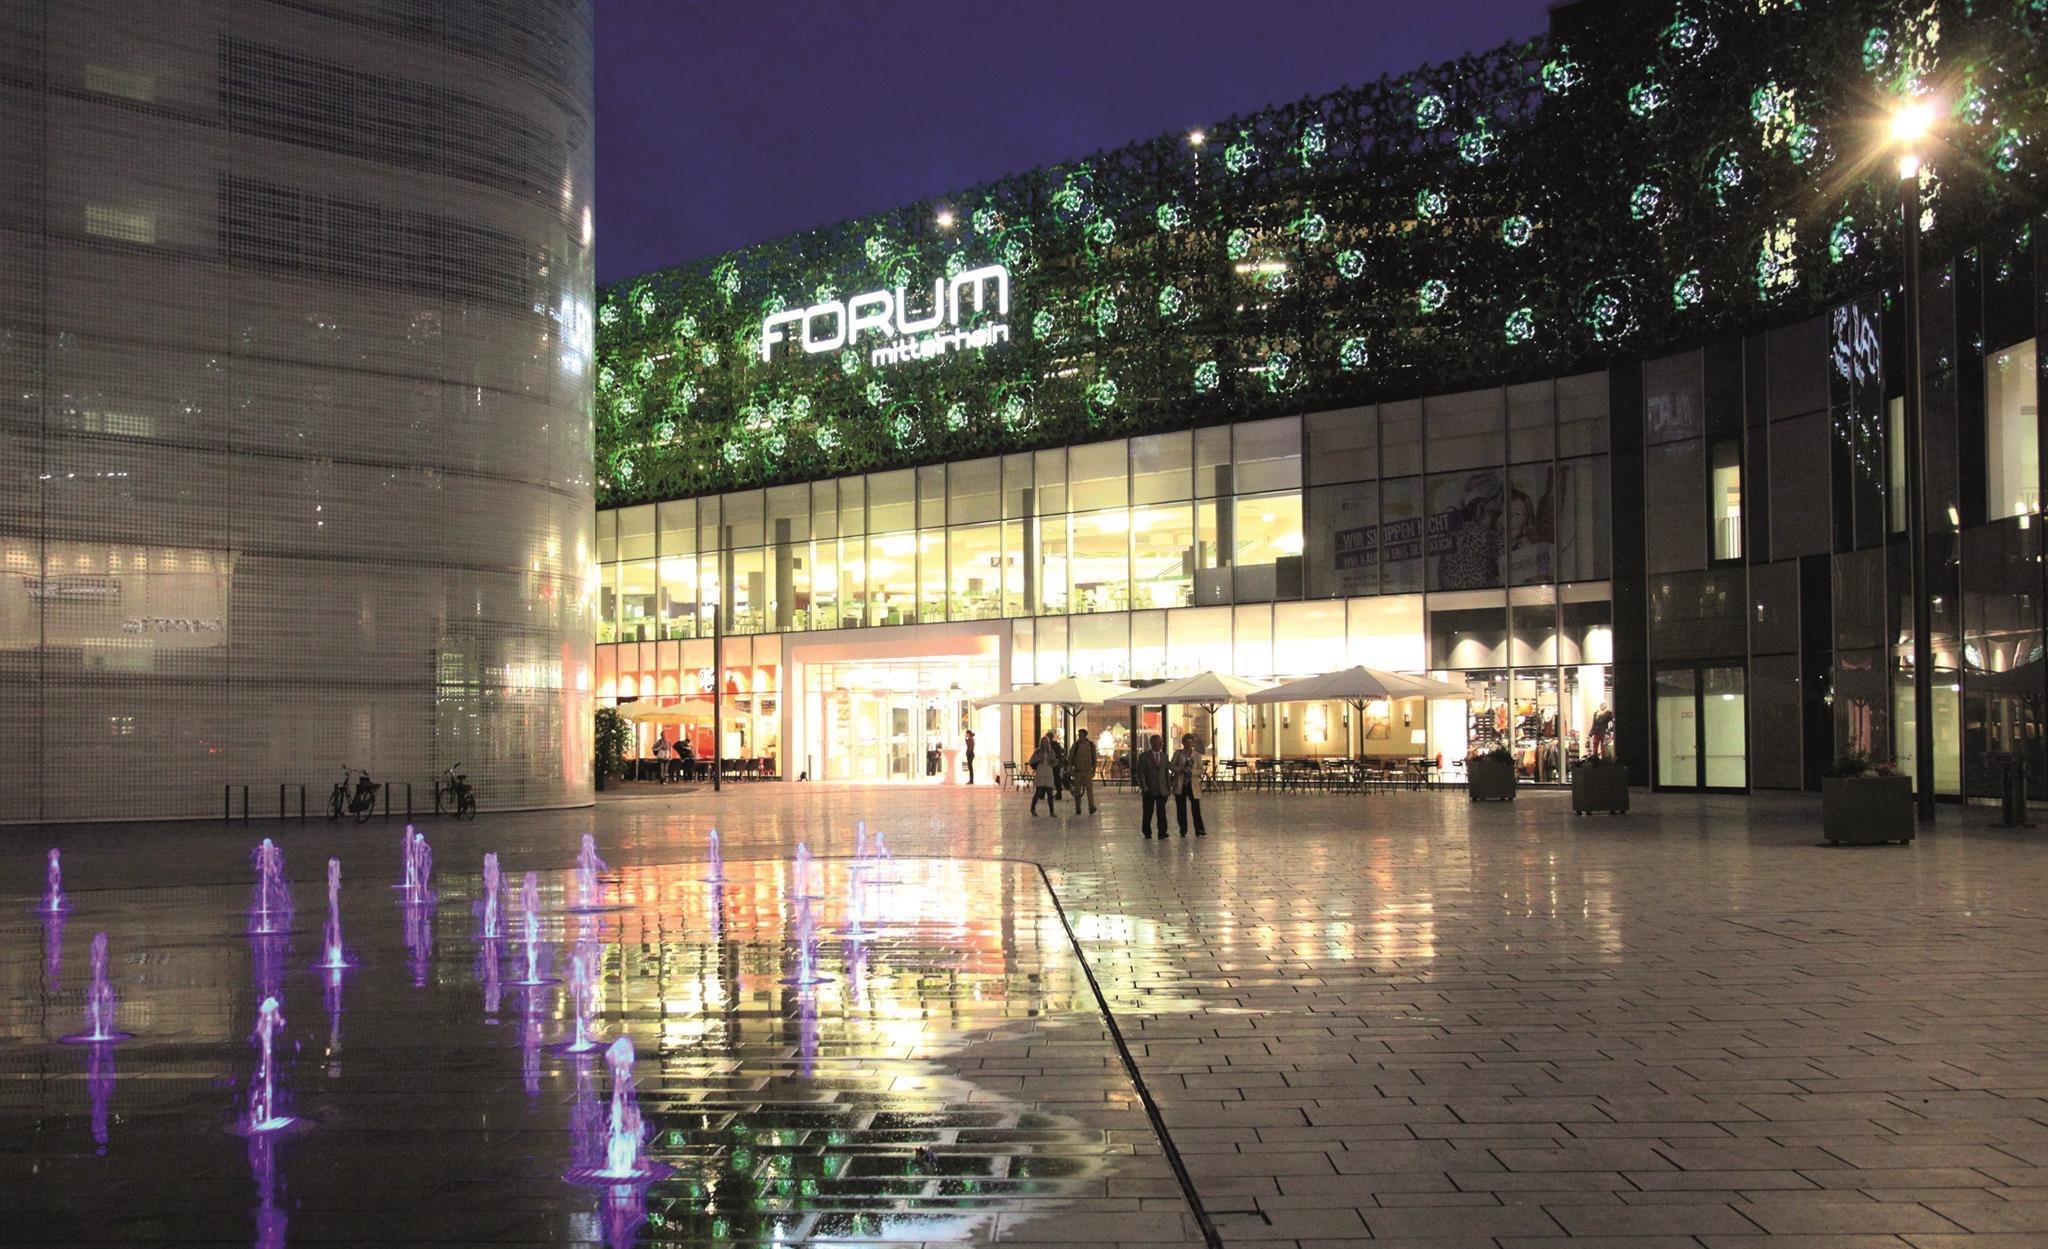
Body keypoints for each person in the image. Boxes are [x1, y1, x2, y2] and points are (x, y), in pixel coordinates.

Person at [1168, 734, 1208, 837]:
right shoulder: (1178, 754)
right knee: (1181, 808)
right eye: (1187, 742)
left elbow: (1200, 770)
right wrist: (1180, 769)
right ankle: (1183, 829)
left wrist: (1192, 772)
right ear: (1183, 743)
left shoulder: (1197, 755)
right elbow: (1171, 766)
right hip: (1181, 784)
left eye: (1191, 742)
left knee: (1196, 808)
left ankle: (1199, 829)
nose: (1189, 744)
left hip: (1192, 784)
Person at [1134, 734, 1170, 840]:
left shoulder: (1164, 756)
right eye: (1158, 742)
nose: (1160, 744)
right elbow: (1141, 773)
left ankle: (1162, 832)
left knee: (1161, 811)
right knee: (1148, 812)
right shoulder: (1144, 756)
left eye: (1161, 742)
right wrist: (1144, 787)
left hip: (1161, 788)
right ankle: (1147, 832)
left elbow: (1166, 772)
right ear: (1152, 743)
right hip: (1149, 788)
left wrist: (1168, 787)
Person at [1028, 732, 1060, 816]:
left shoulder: (1051, 751)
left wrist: (1052, 762)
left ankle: (1051, 812)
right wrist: (1038, 759)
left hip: (1048, 771)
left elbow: (1055, 762)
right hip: (1040, 771)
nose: (1045, 743)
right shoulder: (1038, 751)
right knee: (1038, 791)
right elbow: (1031, 761)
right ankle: (1032, 808)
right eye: (1043, 742)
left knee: (1050, 792)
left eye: (1046, 742)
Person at [1068, 728, 1098, 815]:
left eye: (1081, 735)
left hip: (1087, 771)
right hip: (1078, 771)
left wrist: (1094, 769)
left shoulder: (1090, 745)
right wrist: (1070, 767)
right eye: (1079, 735)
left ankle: (1091, 807)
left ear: (1085, 735)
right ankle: (1078, 807)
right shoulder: (1076, 745)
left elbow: (1094, 758)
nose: (1079, 736)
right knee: (1077, 791)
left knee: (1090, 791)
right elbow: (1071, 756)